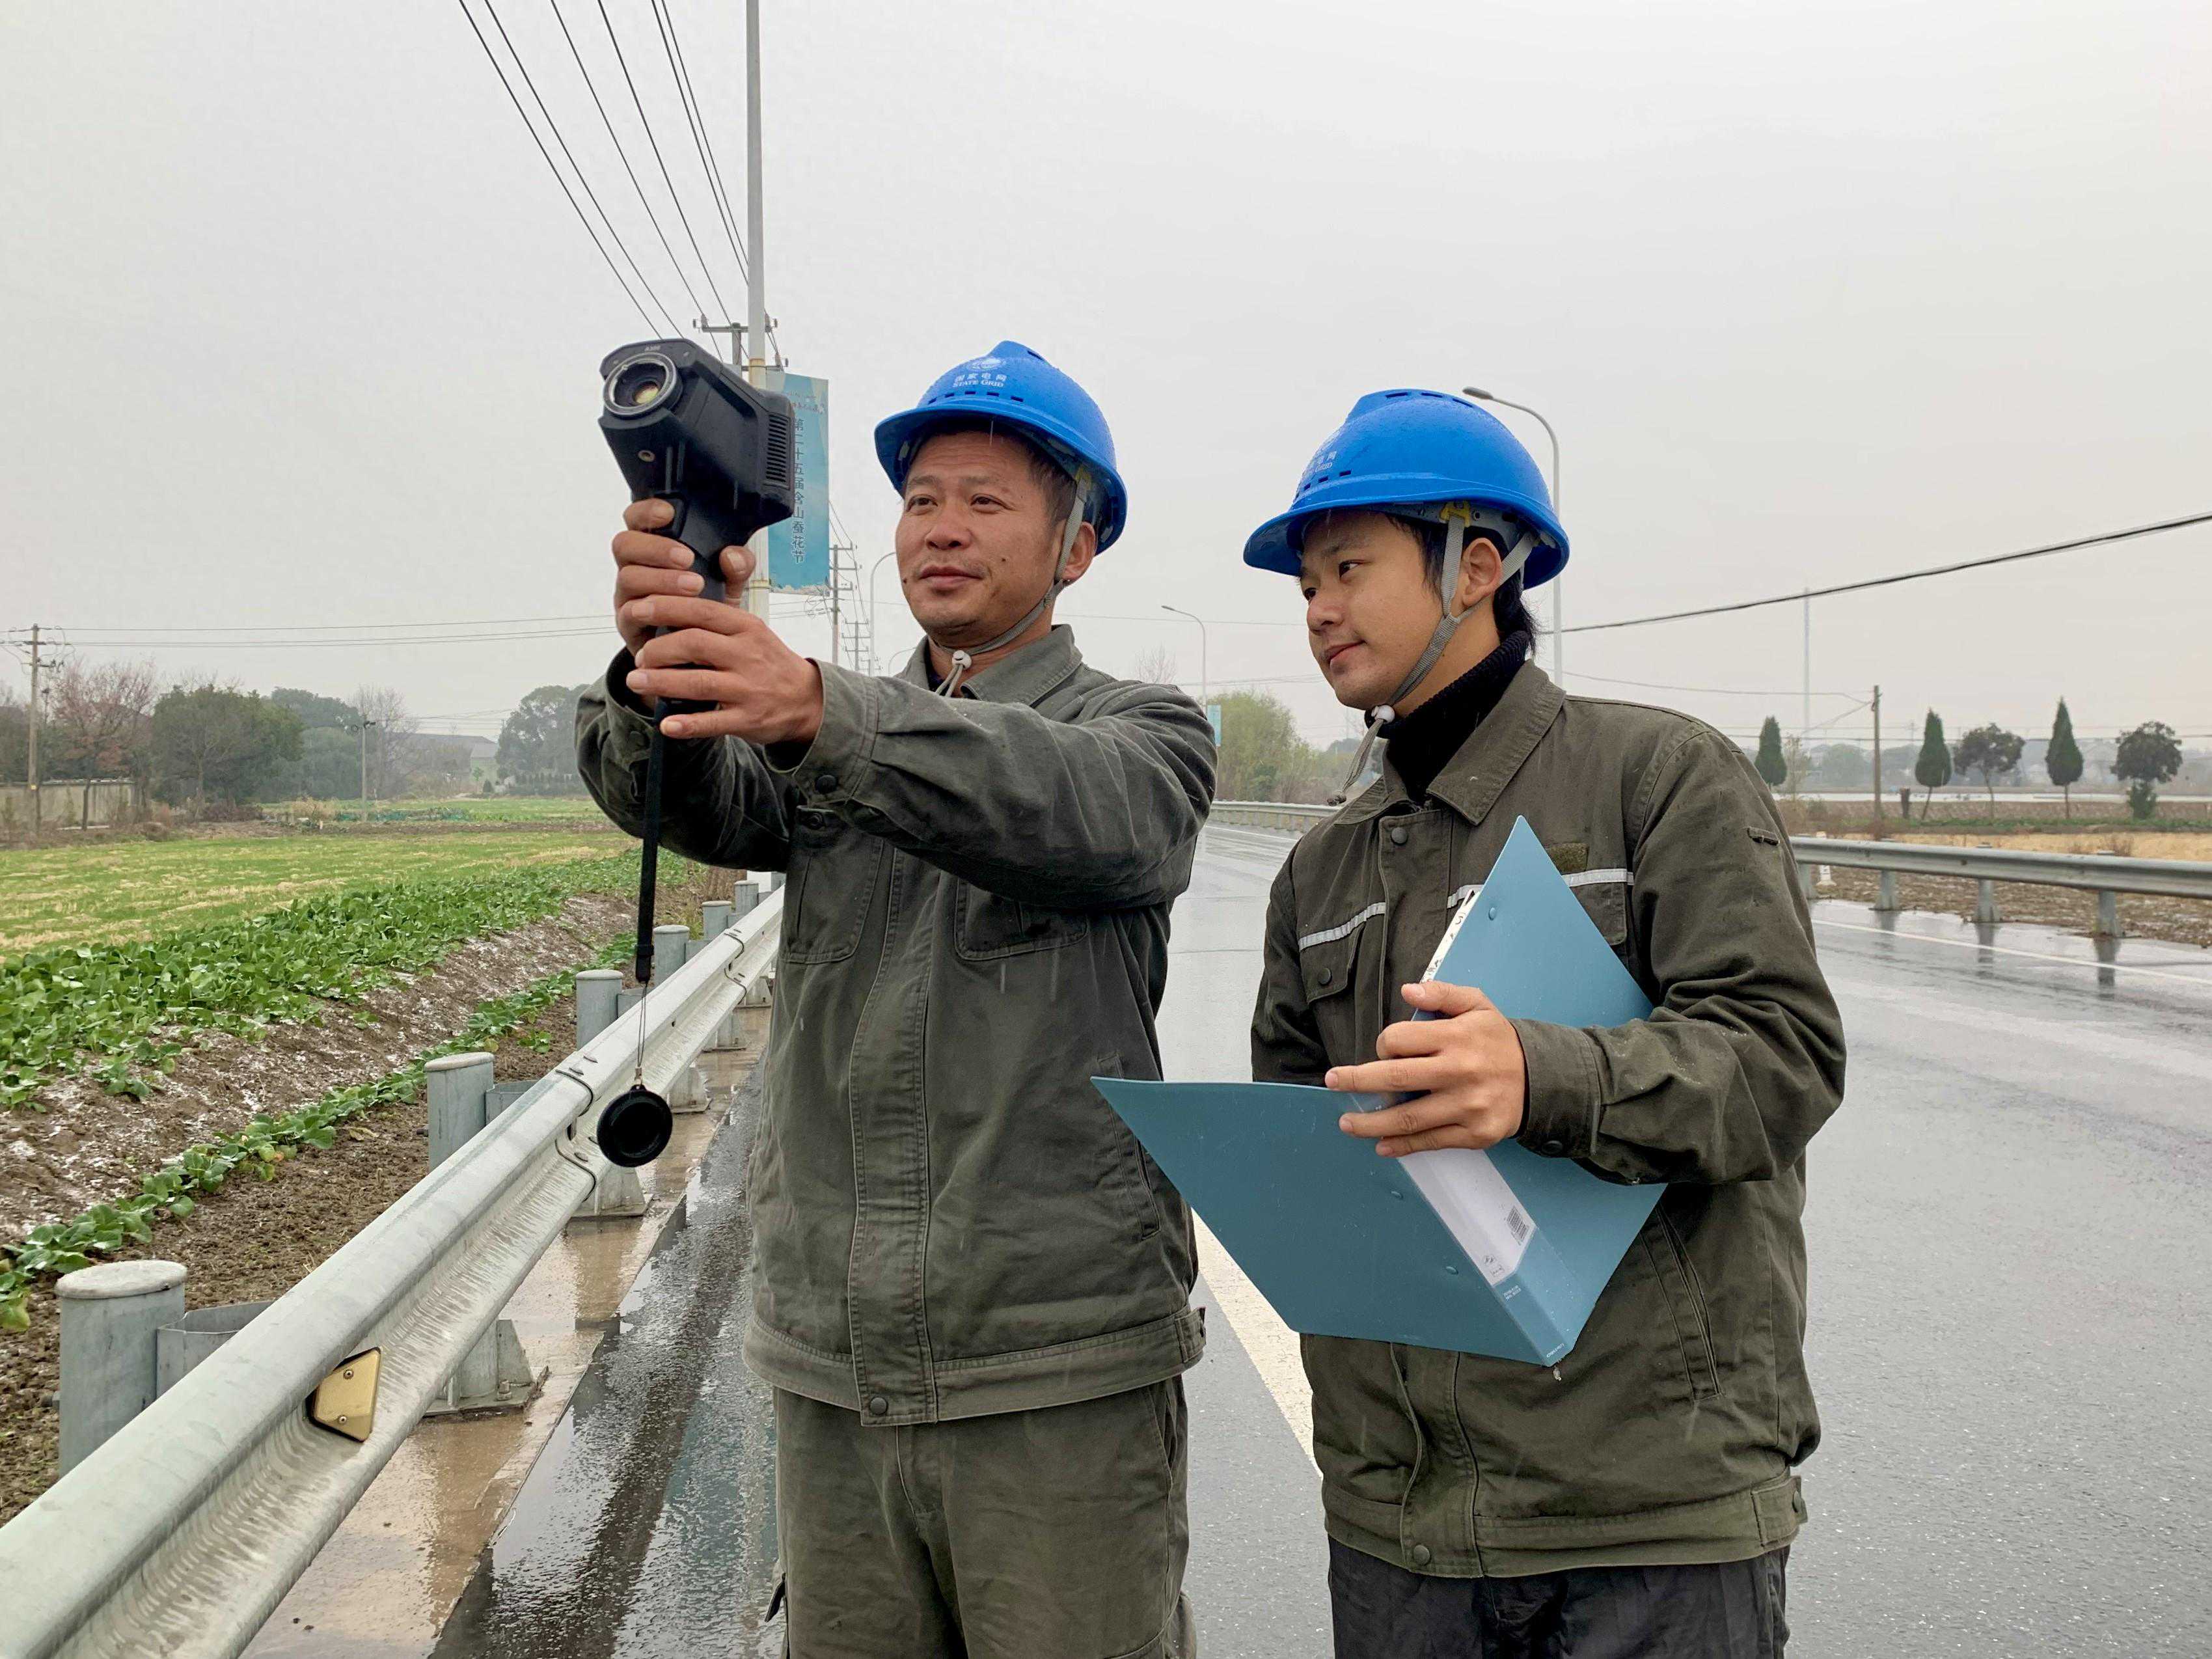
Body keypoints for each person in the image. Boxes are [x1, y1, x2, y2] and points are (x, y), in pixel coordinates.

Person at [577, 342, 1216, 1657]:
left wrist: (821, 711)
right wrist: (662, 653)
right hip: (833, 1364)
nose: (942, 528)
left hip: (1057, 1370)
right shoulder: (824, 733)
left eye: (987, 499)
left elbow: (1084, 812)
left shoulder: (1142, 731)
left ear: (1077, 545)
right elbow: (686, 798)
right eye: (922, 499)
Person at [1244, 389, 1846, 1657]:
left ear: (1475, 565)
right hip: (1401, 1527)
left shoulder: (1655, 779)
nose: (1317, 608)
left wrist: (1546, 1075)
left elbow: (1781, 1056)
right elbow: (1311, 1151)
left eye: (1348, 567)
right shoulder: (1321, 872)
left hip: (1649, 1520)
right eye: (1305, 581)